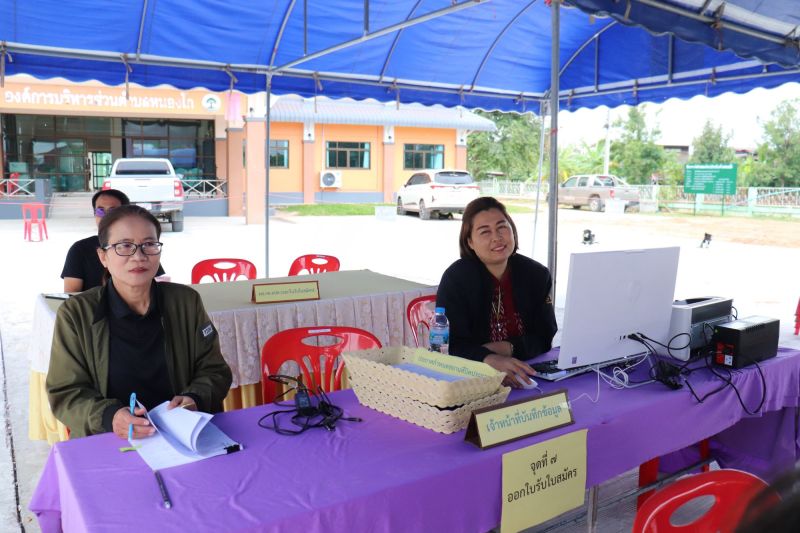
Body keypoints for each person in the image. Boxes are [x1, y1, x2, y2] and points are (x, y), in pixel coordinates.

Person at [47, 204, 232, 439]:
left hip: (181, 434)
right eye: (124, 246)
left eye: (149, 244)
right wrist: (110, 417)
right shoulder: (76, 313)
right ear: (103, 257)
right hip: (109, 438)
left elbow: (214, 370)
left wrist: (195, 398)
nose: (139, 256)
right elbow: (66, 392)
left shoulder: (186, 301)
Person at [436, 197, 557, 388]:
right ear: (470, 242)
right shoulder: (456, 279)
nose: (497, 237)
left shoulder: (536, 274)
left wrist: (507, 348)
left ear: (512, 231)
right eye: (485, 231)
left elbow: (545, 335)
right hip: (471, 380)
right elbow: (449, 346)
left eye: (502, 227)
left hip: (527, 371)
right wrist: (488, 358)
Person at [61, 189, 164, 292]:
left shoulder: (146, 252)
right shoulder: (79, 249)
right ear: (103, 256)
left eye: (113, 211)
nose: (138, 257)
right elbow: (71, 293)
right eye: (100, 211)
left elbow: (158, 285)